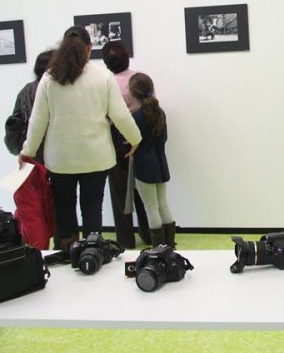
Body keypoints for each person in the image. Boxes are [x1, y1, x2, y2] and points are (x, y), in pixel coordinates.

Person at [19, 26, 141, 251]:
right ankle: (92, 252)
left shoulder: (50, 78)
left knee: (64, 209)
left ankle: (68, 253)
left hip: (60, 159)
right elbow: (120, 115)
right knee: (92, 208)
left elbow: (38, 121)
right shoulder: (103, 76)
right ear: (89, 48)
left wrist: (28, 151)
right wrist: (135, 138)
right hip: (96, 157)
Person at [102, 40, 151, 248]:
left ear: (106, 63)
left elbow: (106, 114)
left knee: (120, 189)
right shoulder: (140, 78)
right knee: (143, 187)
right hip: (143, 132)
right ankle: (149, 234)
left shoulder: (107, 83)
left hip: (117, 136)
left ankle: (125, 239)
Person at [127, 72, 177, 247]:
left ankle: (158, 247)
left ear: (132, 93)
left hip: (144, 167)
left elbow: (132, 141)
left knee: (150, 207)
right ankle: (169, 244)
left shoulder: (135, 117)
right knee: (162, 204)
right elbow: (164, 138)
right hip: (161, 163)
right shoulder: (160, 113)